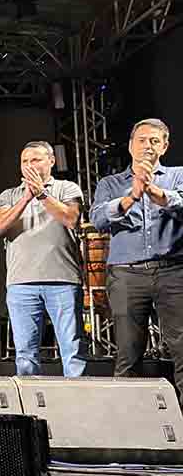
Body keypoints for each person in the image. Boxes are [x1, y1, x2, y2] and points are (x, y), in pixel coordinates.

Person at [90, 118, 183, 397]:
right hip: (127, 274)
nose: (148, 146)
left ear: (164, 146)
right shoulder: (110, 183)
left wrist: (154, 191)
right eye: (141, 140)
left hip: (173, 271)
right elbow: (98, 219)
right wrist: (131, 197)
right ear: (131, 146)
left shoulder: (178, 176)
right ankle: (128, 418)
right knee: (128, 353)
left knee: (182, 347)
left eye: (155, 141)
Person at [0, 141, 87, 377]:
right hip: (21, 283)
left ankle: (78, 397)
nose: (29, 165)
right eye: (25, 161)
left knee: (72, 349)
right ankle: (31, 397)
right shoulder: (9, 195)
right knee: (25, 353)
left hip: (63, 280)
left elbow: (71, 219)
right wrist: (26, 197)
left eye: (35, 159)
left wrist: (42, 194)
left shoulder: (67, 188)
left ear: (51, 161)